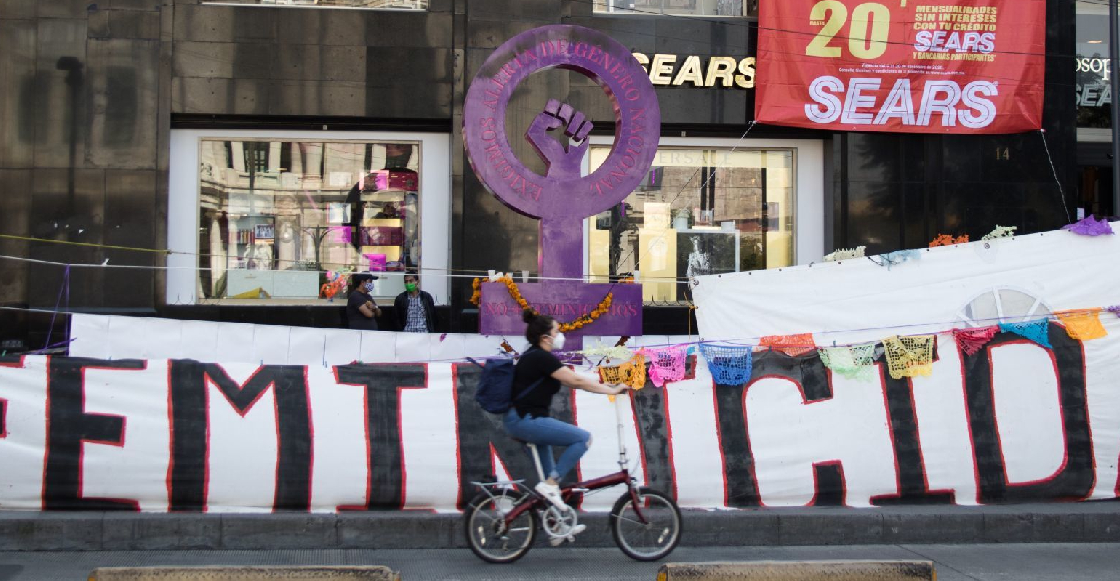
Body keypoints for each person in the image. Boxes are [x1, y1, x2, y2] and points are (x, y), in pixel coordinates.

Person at [505, 310, 627, 516]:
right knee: (583, 439)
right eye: (557, 331)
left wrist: (607, 386)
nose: (560, 336)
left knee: (549, 483)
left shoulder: (534, 356)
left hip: (523, 420)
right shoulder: (541, 357)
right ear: (546, 337)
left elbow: (575, 381)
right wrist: (611, 391)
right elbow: (576, 380)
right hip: (526, 421)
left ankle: (556, 524)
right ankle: (551, 484)